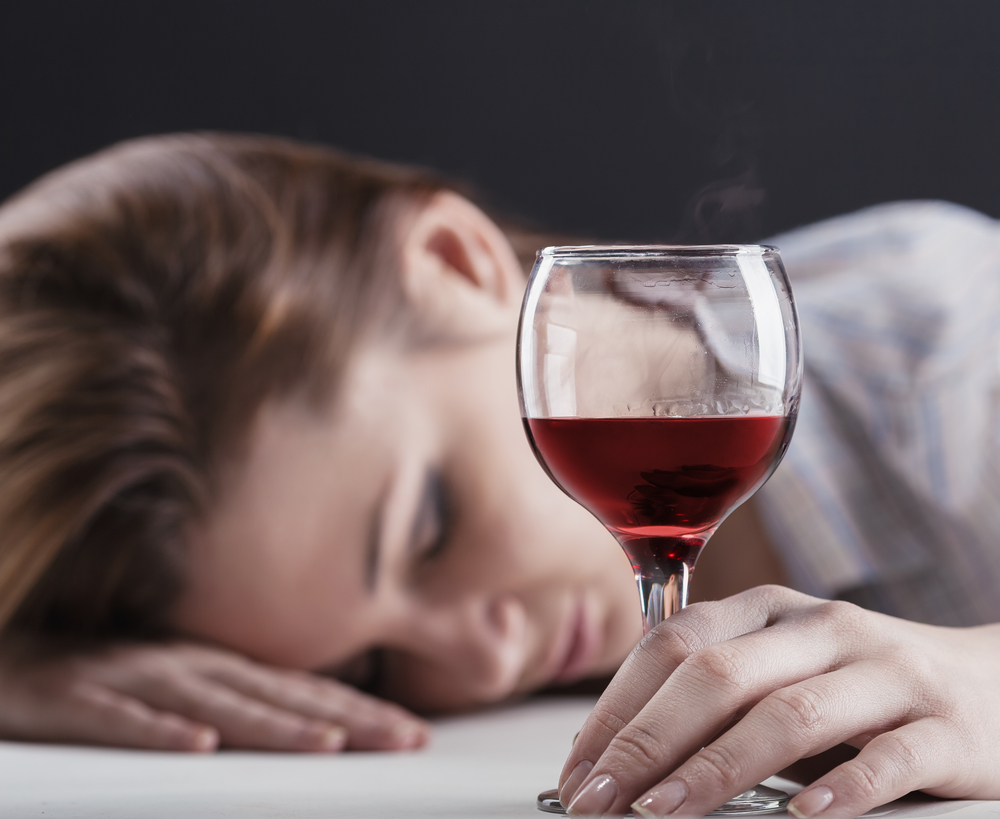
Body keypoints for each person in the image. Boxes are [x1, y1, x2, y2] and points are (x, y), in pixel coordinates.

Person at [0, 134, 996, 818]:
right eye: (369, 669)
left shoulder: (958, 357)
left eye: (430, 526)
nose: (479, 664)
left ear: (455, 265)